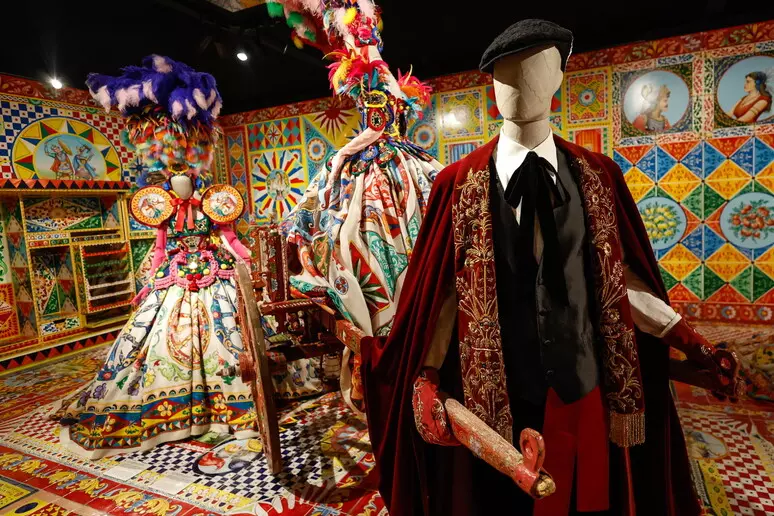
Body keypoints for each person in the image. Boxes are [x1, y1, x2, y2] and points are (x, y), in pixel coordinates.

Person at [360, 19, 744, 516]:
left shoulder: (599, 174)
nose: (521, 83)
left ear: (560, 76)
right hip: (496, 395)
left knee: (586, 499)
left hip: (583, 383)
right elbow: (445, 296)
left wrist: (691, 342)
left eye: (537, 68)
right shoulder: (456, 183)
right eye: (505, 73)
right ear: (492, 84)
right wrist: (427, 372)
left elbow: (619, 284)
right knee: (502, 504)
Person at [54, 55, 259, 459]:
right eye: (175, 177)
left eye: (186, 176)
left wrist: (249, 262)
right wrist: (151, 278)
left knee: (231, 332)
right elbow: (161, 245)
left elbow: (231, 238)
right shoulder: (159, 206)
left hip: (214, 272)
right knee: (153, 334)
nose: (181, 183)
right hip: (175, 276)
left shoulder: (213, 201)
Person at [268, 0, 443, 412]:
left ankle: (391, 312)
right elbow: (387, 127)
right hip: (401, 159)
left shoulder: (370, 75)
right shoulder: (382, 76)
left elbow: (375, 130)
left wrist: (342, 155)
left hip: (384, 161)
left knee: (352, 221)